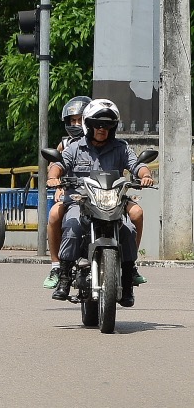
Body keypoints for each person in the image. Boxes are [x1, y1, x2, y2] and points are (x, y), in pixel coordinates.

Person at [47, 99, 153, 306]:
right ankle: (64, 275)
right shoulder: (76, 147)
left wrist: (146, 175)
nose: (102, 129)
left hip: (113, 199)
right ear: (90, 125)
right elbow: (58, 164)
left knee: (131, 224)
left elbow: (137, 165)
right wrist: (54, 177)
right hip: (81, 200)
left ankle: (128, 274)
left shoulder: (121, 148)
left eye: (106, 125)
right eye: (97, 124)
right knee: (72, 225)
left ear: (112, 128)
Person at [43, 96, 89, 288]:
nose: (76, 124)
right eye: (73, 120)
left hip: (101, 195)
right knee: (54, 214)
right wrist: (58, 185)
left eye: (80, 120)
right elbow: (55, 165)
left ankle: (128, 266)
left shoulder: (101, 139)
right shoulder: (65, 144)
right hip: (73, 193)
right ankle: (56, 265)